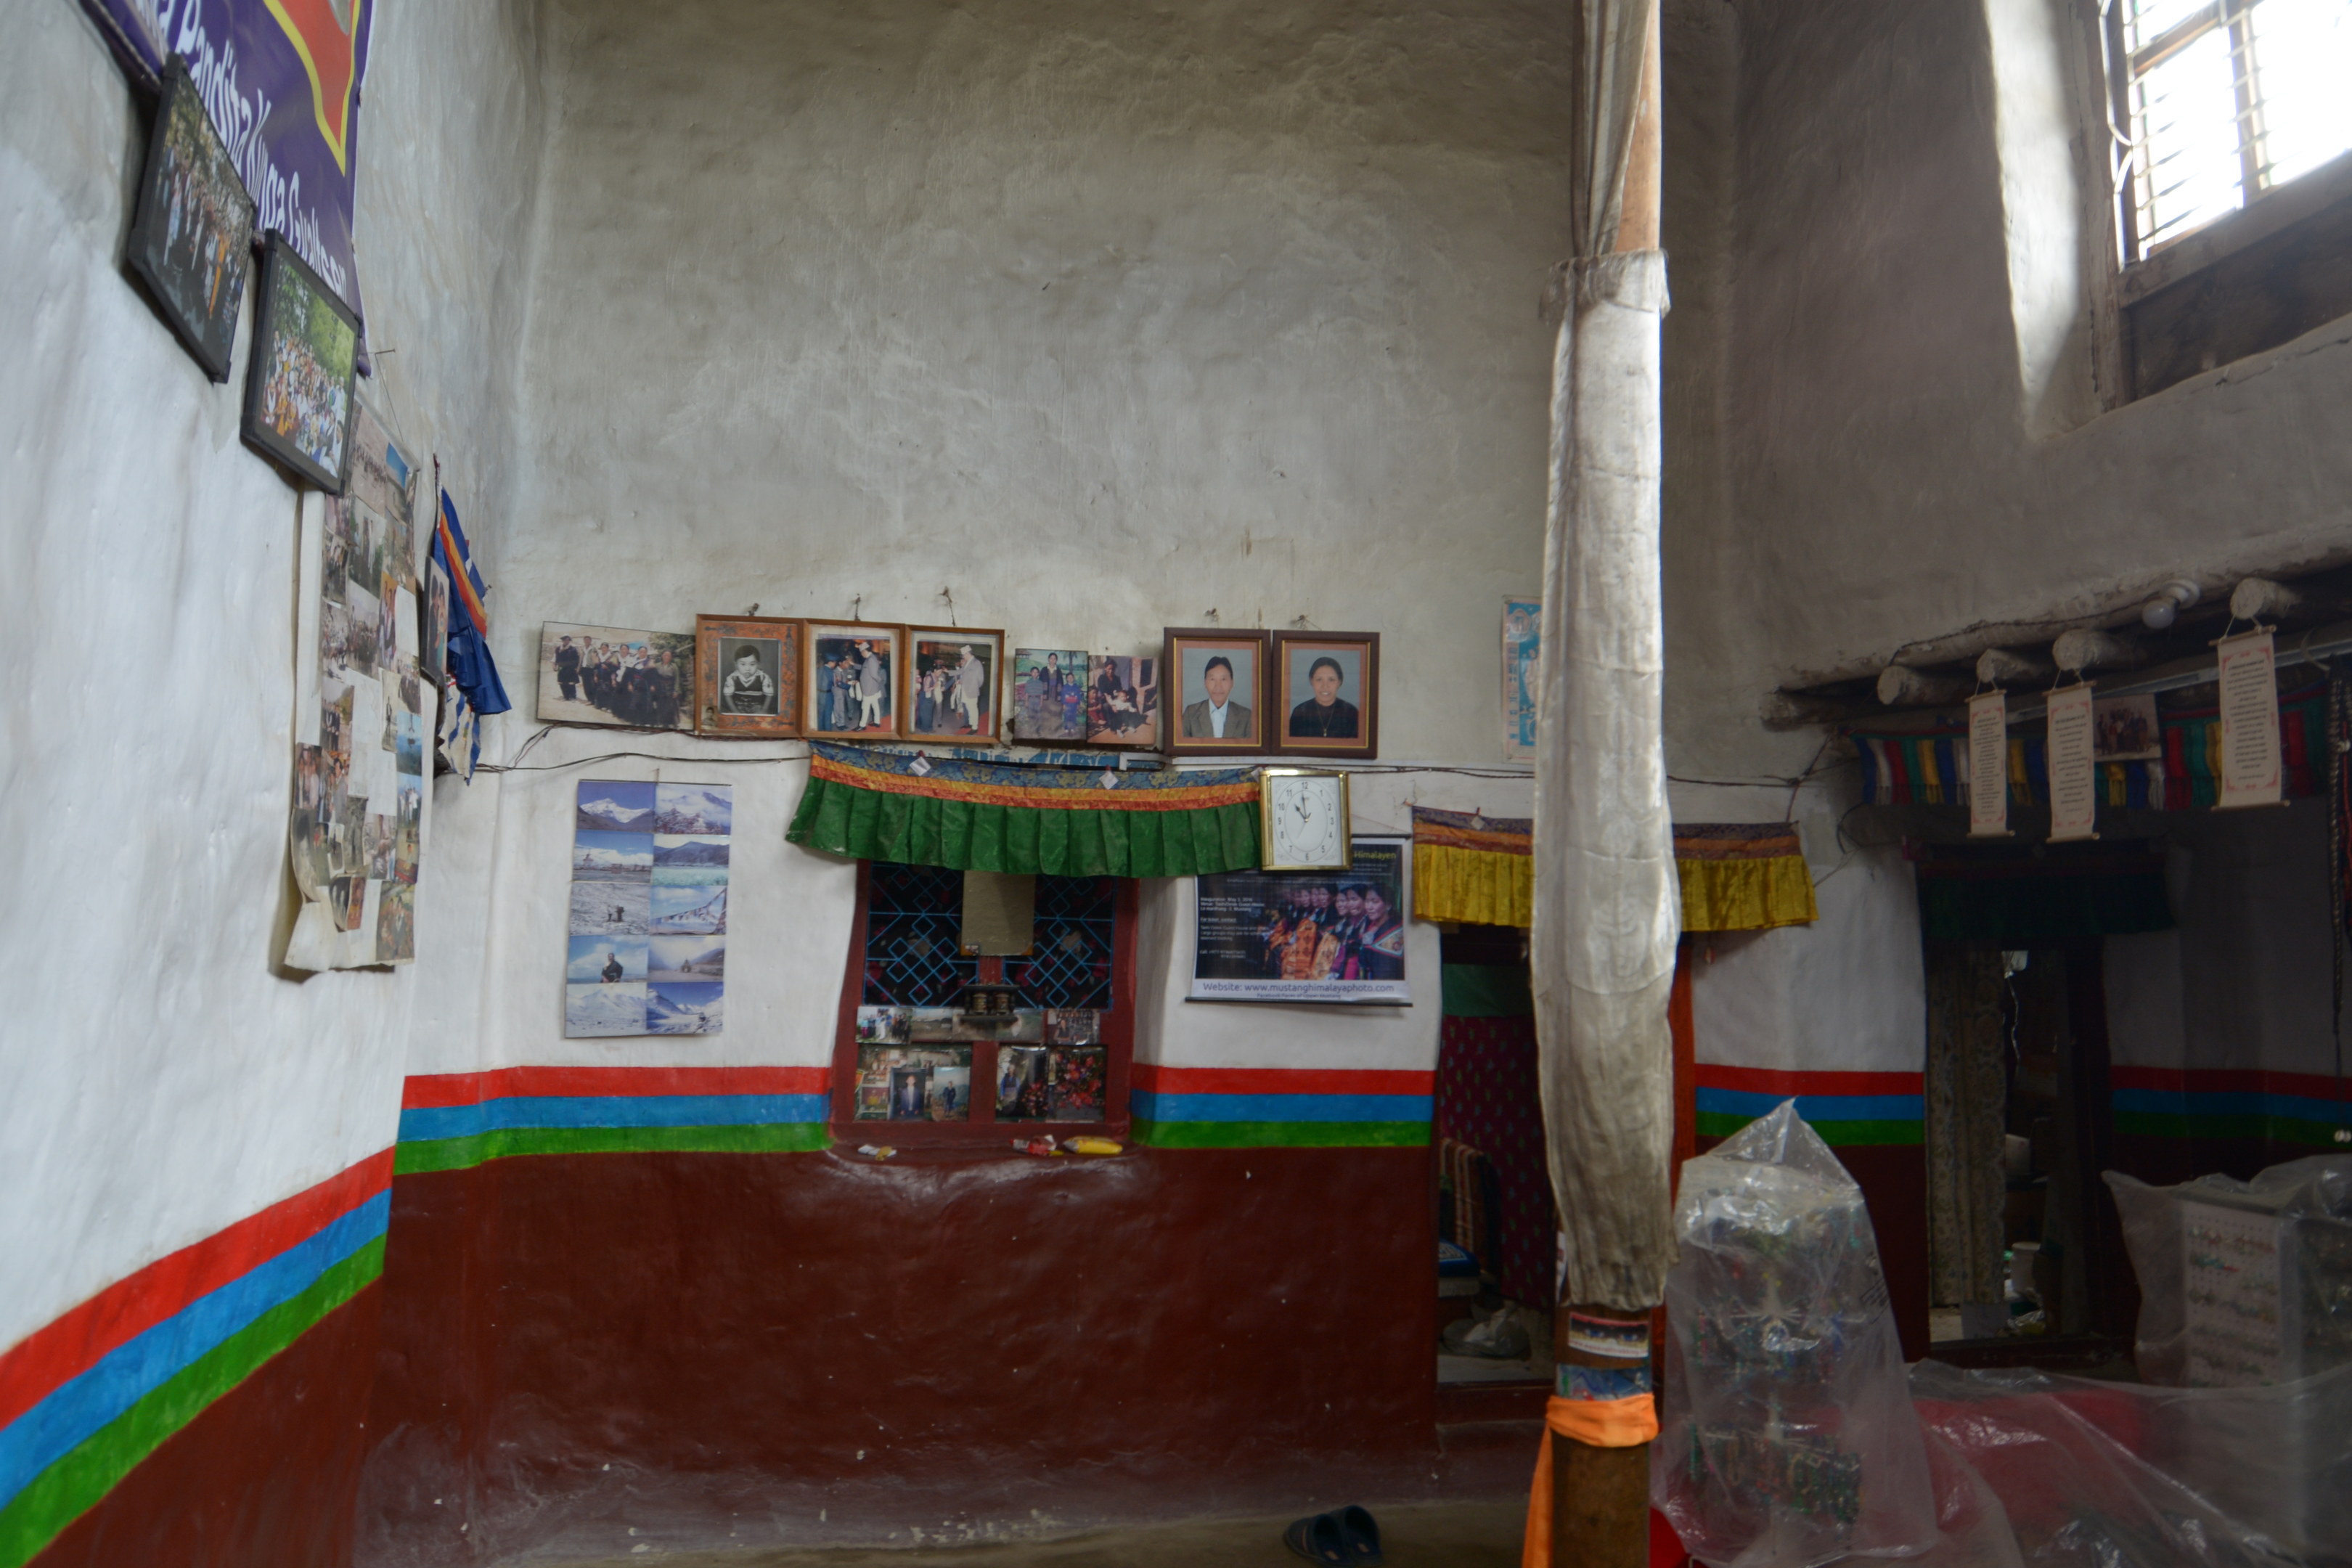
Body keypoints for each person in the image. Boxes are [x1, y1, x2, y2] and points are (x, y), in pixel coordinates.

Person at [1180, 655, 1252, 740]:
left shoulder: (1246, 716)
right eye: (1212, 679)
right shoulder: (1191, 714)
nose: (1218, 686)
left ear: (1232, 683)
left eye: (1223, 679)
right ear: (1205, 683)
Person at [1288, 656, 1360, 739]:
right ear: (1312, 681)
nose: (1325, 686)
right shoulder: (1300, 712)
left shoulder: (1351, 713)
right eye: (1319, 679)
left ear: (1339, 682)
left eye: (1331, 680)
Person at [1355, 885, 1405, 979]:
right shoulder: (1368, 924)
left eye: (1375, 902)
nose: (1369, 907)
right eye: (1367, 901)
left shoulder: (1394, 930)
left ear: (1388, 905)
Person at [722, 645, 775, 715]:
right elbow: (728, 696)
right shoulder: (732, 678)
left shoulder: (763, 677)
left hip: (758, 709)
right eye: (743, 664)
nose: (747, 669)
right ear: (736, 664)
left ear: (758, 664)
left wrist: (763, 710)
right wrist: (735, 712)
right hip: (738, 708)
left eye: (752, 664)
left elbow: (769, 695)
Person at [953, 645, 987, 732]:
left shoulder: (976, 663)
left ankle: (975, 728)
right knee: (968, 708)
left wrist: (974, 688)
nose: (963, 657)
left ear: (968, 654)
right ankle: (970, 724)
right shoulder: (967, 663)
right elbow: (961, 672)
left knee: (973, 710)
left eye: (963, 655)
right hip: (965, 690)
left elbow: (980, 679)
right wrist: (948, 672)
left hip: (972, 691)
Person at [857, 642, 887, 730]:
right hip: (871, 688)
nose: (861, 654)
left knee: (865, 707)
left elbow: (874, 675)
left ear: (865, 651)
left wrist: (880, 681)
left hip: (869, 689)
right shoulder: (870, 658)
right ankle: (877, 722)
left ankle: (862, 725)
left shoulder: (870, 660)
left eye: (861, 652)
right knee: (875, 705)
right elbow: (866, 670)